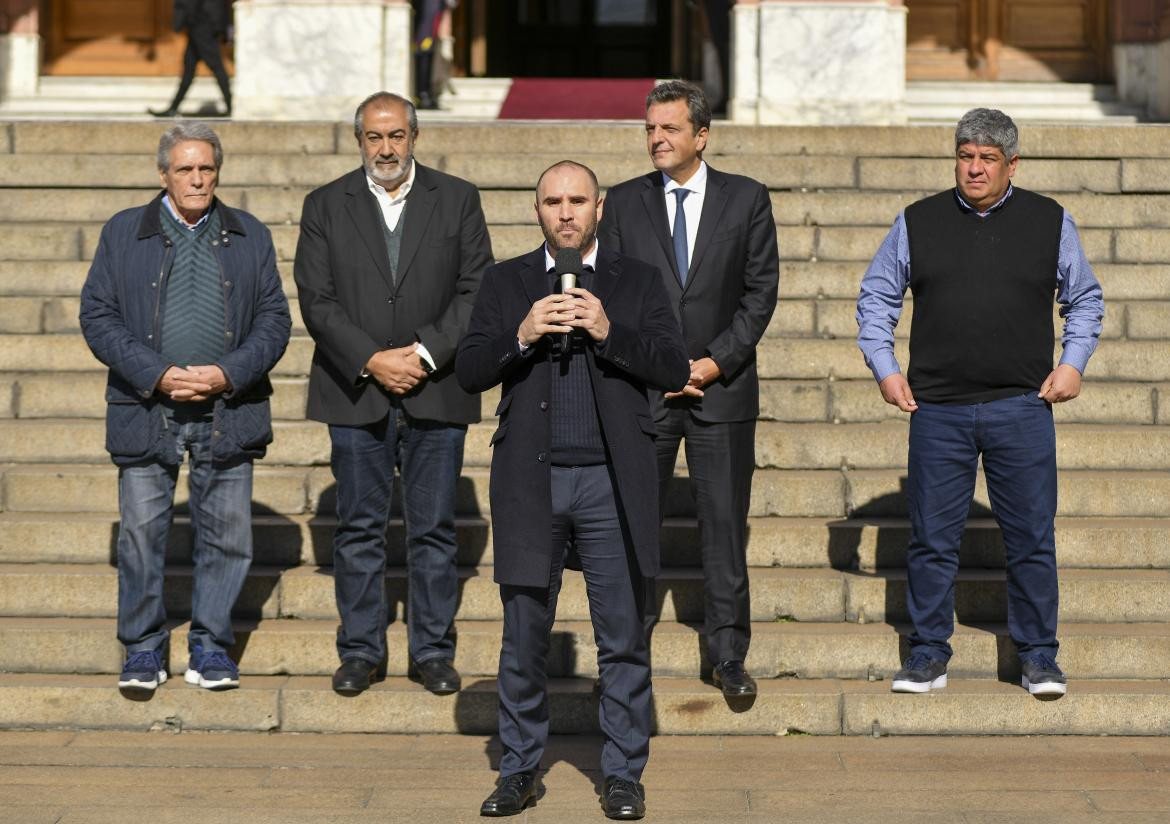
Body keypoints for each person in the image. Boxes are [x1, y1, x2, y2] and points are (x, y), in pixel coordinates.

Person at [456, 160, 689, 819]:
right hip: (532, 479)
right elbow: (470, 369)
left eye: (577, 201)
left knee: (621, 634)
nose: (565, 212)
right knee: (524, 633)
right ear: (537, 211)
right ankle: (520, 769)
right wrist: (522, 335)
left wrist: (610, 332)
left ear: (599, 209)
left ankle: (621, 774)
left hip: (612, 480)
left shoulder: (635, 280)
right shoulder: (506, 282)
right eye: (553, 201)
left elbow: (673, 365)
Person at [856, 108, 1104, 698]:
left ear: (1011, 164)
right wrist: (885, 368)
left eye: (987, 159)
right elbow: (876, 298)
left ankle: (1040, 656)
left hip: (1021, 407)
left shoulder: (1050, 221)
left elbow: (1086, 299)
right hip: (937, 410)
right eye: (966, 156)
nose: (974, 168)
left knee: (1031, 538)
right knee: (932, 539)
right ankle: (927, 654)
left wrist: (1073, 363)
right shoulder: (917, 221)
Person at [79, 123, 290, 695]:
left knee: (228, 537)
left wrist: (226, 373)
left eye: (206, 169)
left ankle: (211, 647)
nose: (197, 179)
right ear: (163, 174)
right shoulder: (125, 231)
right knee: (142, 535)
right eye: (185, 169)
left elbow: (274, 321)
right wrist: (156, 373)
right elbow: (97, 316)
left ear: (217, 171)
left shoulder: (249, 233)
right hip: (146, 406)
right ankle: (144, 649)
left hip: (228, 408)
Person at [294, 91, 493, 697]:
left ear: (415, 137)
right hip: (355, 390)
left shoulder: (457, 198)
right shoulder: (326, 204)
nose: (387, 147)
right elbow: (316, 299)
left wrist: (425, 354)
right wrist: (373, 359)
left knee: (432, 527)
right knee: (358, 527)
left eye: (397, 136)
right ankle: (361, 651)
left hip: (436, 388)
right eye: (375, 137)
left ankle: (432, 650)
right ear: (360, 141)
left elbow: (475, 288)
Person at [597, 79, 779, 698]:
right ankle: (627, 656)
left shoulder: (747, 200)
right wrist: (657, 366)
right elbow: (610, 296)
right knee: (632, 526)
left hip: (720, 392)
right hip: (642, 392)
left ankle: (728, 655)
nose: (656, 139)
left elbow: (759, 296)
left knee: (724, 528)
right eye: (650, 129)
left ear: (701, 135)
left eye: (669, 129)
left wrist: (712, 362)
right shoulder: (620, 204)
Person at [150, 0, 233, 118]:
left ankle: (232, 107)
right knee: (189, 70)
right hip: (198, 25)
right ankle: (173, 108)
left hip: (203, 25)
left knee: (216, 67)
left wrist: (181, 21)